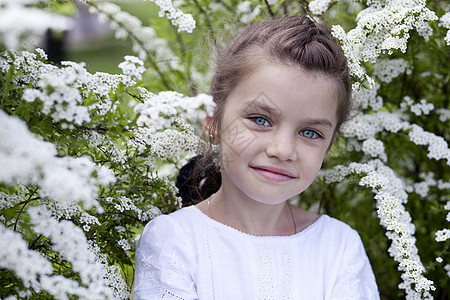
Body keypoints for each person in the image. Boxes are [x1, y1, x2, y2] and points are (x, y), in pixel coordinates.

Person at [133, 15, 380, 299]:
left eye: (310, 133)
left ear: (329, 144)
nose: (283, 150)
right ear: (213, 121)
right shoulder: (174, 240)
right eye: (260, 120)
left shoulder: (338, 247)